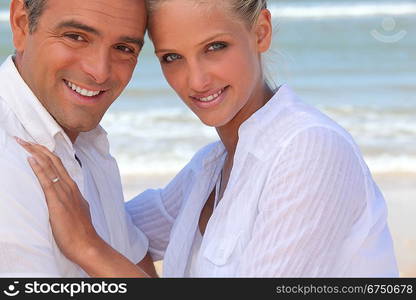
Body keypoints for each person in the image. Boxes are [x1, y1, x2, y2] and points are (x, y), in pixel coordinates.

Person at [19, 0, 399, 277]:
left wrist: (89, 248)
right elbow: (116, 228)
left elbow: (94, 238)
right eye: (172, 57)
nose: (196, 81)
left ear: (260, 31)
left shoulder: (310, 150)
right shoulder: (209, 169)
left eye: (215, 47)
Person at [1, 0, 156, 277]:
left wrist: (89, 247)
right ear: (22, 24)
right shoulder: (8, 163)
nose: (99, 71)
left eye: (123, 48)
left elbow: (137, 265)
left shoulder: (88, 145)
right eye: (75, 37)